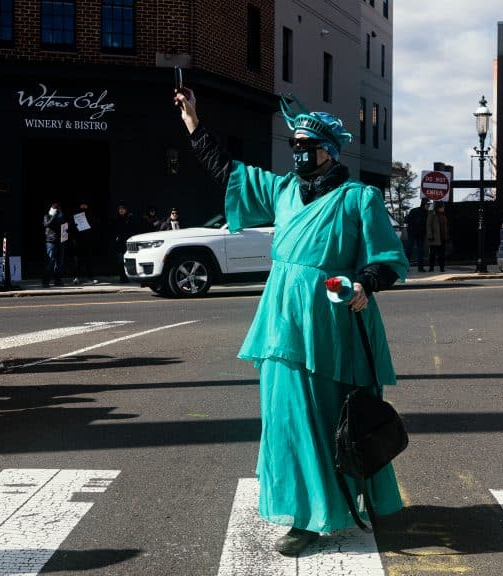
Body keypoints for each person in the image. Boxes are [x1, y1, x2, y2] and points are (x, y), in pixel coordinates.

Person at [175, 87, 407, 556]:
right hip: (281, 321)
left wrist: (365, 283)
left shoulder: (358, 198)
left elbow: (386, 258)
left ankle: (335, 503)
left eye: (307, 146)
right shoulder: (282, 191)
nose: (299, 153)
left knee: (330, 416)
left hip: (331, 323)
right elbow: (227, 170)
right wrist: (195, 124)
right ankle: (304, 515)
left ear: (330, 151)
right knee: (285, 418)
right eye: (295, 146)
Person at [72, 202, 98, 285]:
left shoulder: (91, 214)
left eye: (85, 205)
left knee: (88, 260)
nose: (83, 206)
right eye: (82, 204)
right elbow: (72, 226)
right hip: (78, 241)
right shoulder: (75, 215)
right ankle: (77, 277)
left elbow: (95, 223)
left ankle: (90, 278)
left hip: (88, 241)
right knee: (77, 261)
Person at [112, 202, 138, 282]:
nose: (121, 211)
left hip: (128, 242)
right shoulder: (116, 219)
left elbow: (133, 229)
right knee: (121, 260)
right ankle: (122, 277)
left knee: (129, 260)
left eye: (123, 209)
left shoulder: (130, 218)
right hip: (120, 243)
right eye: (120, 209)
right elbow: (114, 230)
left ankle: (131, 276)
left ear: (126, 210)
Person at [42, 202, 65, 287]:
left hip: (60, 241)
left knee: (59, 263)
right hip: (51, 241)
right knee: (50, 261)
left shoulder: (60, 217)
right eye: (57, 210)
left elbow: (63, 226)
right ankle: (45, 281)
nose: (59, 211)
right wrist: (54, 215)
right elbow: (47, 224)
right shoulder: (47, 216)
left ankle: (57, 280)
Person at [404, 198, 429, 271]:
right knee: (409, 250)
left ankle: (420, 268)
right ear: (423, 204)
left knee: (420, 251)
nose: (428, 206)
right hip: (413, 233)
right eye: (427, 204)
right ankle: (406, 267)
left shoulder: (426, 213)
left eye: (428, 205)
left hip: (420, 234)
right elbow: (407, 221)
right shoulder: (415, 211)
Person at [425, 202, 449, 272]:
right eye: (442, 207)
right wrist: (430, 235)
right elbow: (428, 226)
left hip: (442, 237)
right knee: (432, 254)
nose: (443, 208)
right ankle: (431, 267)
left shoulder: (443, 216)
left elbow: (445, 227)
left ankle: (442, 267)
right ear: (438, 208)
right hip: (434, 238)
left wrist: (446, 236)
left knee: (442, 254)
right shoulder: (432, 215)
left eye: (443, 207)